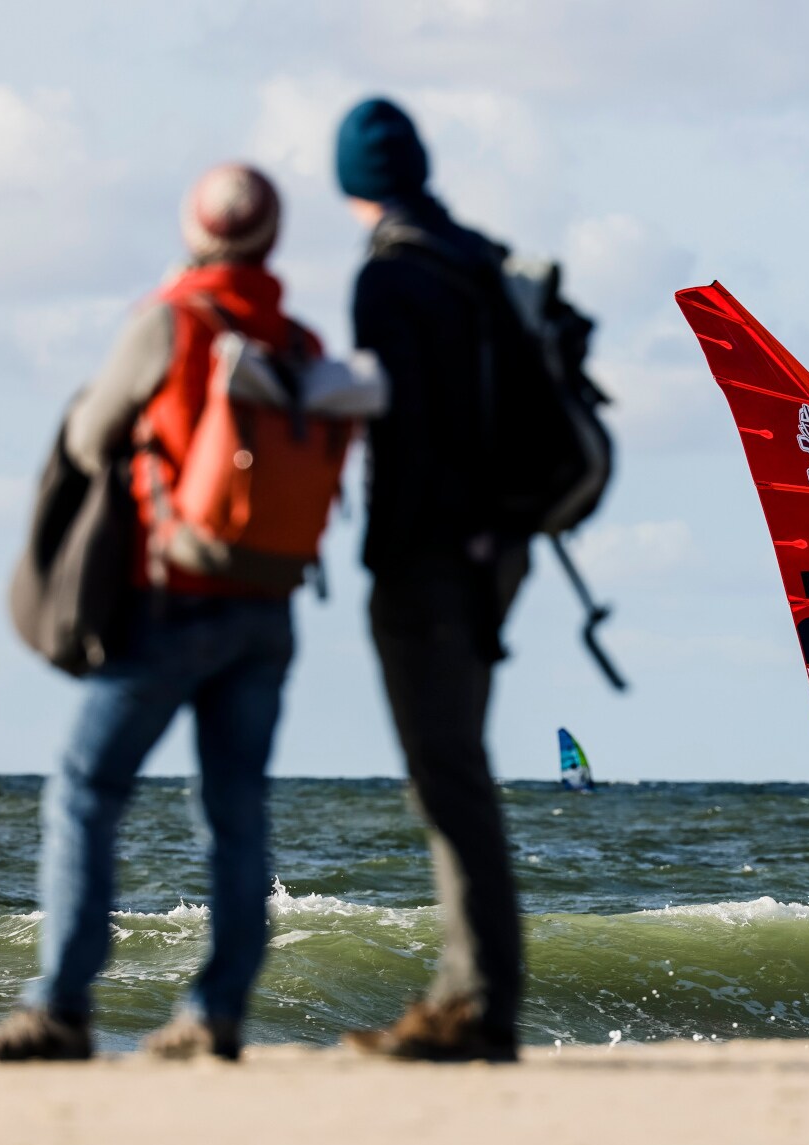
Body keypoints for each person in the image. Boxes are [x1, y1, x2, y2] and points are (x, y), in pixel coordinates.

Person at [0, 165, 304, 1062]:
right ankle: (217, 1012)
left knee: (85, 790)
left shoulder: (172, 321)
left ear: (195, 230)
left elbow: (88, 435)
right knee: (237, 812)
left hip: (173, 601)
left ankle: (62, 1004)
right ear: (270, 238)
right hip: (270, 608)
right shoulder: (296, 341)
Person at [333, 97, 529, 1061]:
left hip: (431, 555)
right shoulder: (478, 258)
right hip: (503, 548)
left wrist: (385, 551)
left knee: (446, 772)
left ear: (352, 185)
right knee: (457, 768)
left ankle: (481, 1004)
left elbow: (406, 434)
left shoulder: (395, 277)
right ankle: (469, 993)